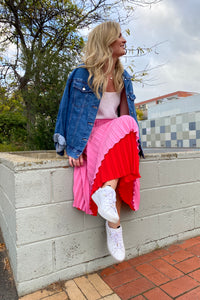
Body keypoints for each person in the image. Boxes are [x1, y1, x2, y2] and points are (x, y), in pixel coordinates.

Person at [54, 21, 144, 262]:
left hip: (115, 132)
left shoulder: (123, 76)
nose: (124, 40)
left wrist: (133, 145)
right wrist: (71, 146)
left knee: (128, 124)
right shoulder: (81, 74)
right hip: (90, 134)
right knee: (115, 160)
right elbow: (66, 111)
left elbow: (126, 116)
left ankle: (106, 198)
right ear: (106, 42)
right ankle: (114, 229)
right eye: (119, 36)